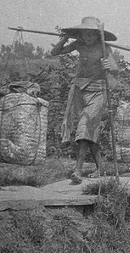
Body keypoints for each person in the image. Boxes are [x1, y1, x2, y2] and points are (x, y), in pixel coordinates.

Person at [50, 16, 119, 183]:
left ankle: (78, 169)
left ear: (97, 35)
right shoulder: (78, 45)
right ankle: (101, 168)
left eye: (91, 35)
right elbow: (55, 52)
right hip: (80, 90)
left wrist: (109, 67)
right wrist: (65, 39)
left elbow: (116, 70)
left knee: (84, 126)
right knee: (89, 130)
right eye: (85, 34)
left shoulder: (104, 48)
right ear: (80, 35)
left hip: (99, 91)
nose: (88, 38)